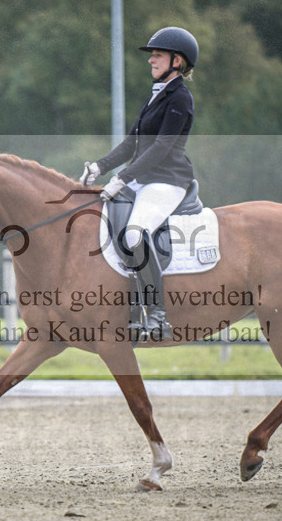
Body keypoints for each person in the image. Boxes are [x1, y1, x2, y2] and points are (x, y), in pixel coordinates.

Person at [79, 26, 199, 339]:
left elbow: (162, 147)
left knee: (134, 235)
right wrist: (99, 167)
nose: (151, 61)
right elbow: (132, 142)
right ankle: (128, 307)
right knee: (103, 224)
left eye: (157, 55)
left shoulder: (181, 98)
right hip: (143, 179)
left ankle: (158, 314)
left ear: (177, 60)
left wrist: (122, 178)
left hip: (167, 180)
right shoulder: (156, 95)